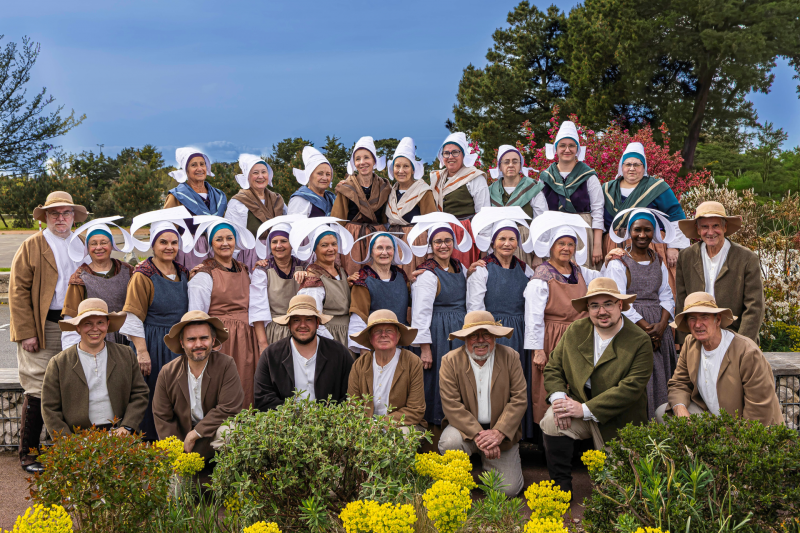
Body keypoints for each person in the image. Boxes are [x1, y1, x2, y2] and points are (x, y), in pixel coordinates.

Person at [541, 278, 653, 494]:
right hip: (577, 407)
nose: (601, 311)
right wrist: (559, 400)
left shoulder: (640, 340)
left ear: (620, 305)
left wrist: (583, 409)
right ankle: (561, 488)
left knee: (619, 493)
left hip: (619, 420)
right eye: (594, 305)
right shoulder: (576, 329)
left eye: (608, 304)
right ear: (588, 308)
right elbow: (554, 366)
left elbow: (630, 388)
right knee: (550, 421)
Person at [9, 191, 88, 473]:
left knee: (71, 386)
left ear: (73, 216)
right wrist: (27, 331)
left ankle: (67, 449)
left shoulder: (82, 244)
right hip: (43, 326)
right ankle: (28, 453)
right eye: (54, 213)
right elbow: (17, 291)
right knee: (38, 387)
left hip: (76, 324)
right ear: (45, 217)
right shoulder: (33, 245)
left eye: (66, 213)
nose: (60, 218)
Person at [523, 212, 605, 427]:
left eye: (571, 244)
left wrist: (615, 256)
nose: (566, 248)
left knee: (577, 383)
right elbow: (533, 316)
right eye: (561, 243)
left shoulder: (580, 272)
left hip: (579, 337)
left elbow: (603, 277)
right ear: (551, 246)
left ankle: (578, 432)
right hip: (552, 336)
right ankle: (550, 433)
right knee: (549, 385)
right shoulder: (542, 275)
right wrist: (538, 350)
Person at [655, 292, 783, 426]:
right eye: (692, 318)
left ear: (718, 319)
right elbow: (679, 383)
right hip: (712, 418)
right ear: (687, 323)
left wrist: (737, 443)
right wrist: (681, 410)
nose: (698, 325)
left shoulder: (747, 353)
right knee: (663, 412)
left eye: (704, 317)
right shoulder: (690, 344)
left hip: (742, 425)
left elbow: (758, 410)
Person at [121, 209, 194, 440]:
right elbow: (133, 316)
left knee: (179, 395)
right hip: (152, 343)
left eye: (174, 242)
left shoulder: (183, 273)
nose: (169, 247)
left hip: (177, 344)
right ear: (153, 244)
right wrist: (142, 352)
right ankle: (151, 445)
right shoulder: (143, 275)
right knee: (153, 395)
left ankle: (178, 442)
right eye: (163, 242)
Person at [438, 310, 527, 497]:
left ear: (494, 336)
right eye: (473, 335)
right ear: (465, 339)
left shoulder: (511, 357)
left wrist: (498, 433)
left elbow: (519, 399)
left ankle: (489, 464)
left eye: (486, 334)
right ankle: (459, 480)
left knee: (508, 490)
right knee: (449, 442)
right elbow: (451, 405)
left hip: (500, 434)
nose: (480, 340)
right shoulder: (450, 361)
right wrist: (480, 435)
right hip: (466, 432)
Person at [466, 206, 536, 440]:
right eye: (502, 239)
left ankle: (518, 434)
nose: (507, 243)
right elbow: (475, 308)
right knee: (494, 384)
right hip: (493, 332)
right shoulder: (483, 269)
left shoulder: (526, 270)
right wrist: (485, 334)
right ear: (493, 242)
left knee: (518, 384)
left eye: (512, 239)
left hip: (520, 331)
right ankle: (490, 434)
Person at [41, 299, 149, 447]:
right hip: (78, 439)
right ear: (78, 327)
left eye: (100, 322)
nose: (95, 329)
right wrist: (67, 442)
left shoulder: (126, 354)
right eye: (88, 323)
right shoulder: (59, 363)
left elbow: (140, 393)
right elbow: (50, 408)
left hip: (120, 435)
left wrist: (127, 427)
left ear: (108, 325)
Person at [604, 208, 677, 419]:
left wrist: (662, 327)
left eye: (647, 230)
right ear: (629, 232)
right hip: (632, 328)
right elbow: (620, 302)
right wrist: (646, 329)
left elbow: (666, 296)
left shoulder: (659, 260)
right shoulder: (619, 263)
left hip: (659, 328)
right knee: (639, 377)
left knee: (661, 376)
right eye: (637, 230)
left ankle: (661, 425)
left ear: (654, 232)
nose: (642, 235)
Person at [407, 213, 473, 429]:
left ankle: (458, 424)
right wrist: (425, 348)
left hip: (458, 331)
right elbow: (420, 314)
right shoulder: (427, 274)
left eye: (447, 240)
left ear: (454, 243)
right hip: (437, 333)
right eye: (438, 241)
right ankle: (434, 428)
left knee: (458, 380)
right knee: (437, 380)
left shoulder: (459, 268)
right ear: (431, 245)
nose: (443, 245)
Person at [187, 216, 260, 408]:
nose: (225, 243)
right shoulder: (204, 275)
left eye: (229, 238)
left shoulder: (244, 270)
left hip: (247, 338)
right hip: (222, 338)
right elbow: (196, 315)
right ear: (211, 243)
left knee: (247, 384)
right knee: (223, 387)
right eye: (219, 239)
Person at [154, 311, 245, 462]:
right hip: (183, 439)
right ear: (182, 343)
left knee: (230, 432)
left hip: (212, 435)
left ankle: (225, 474)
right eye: (191, 339)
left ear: (213, 340)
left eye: (204, 338)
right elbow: (163, 417)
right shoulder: (167, 373)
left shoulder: (226, 365)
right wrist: (178, 449)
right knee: (174, 482)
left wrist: (195, 434)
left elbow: (229, 407)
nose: (198, 344)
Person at [602, 142, 690, 293]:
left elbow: (676, 215)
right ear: (621, 167)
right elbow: (599, 220)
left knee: (652, 284)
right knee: (617, 285)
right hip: (614, 243)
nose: (632, 168)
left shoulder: (657, 188)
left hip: (650, 243)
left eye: (637, 164)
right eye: (628, 164)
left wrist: (674, 246)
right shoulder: (607, 189)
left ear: (644, 167)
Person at [675, 201, 764, 344]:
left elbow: (755, 307)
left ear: (725, 227)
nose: (710, 232)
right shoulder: (686, 257)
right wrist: (685, 343)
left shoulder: (746, 258)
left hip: (734, 337)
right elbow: (681, 301)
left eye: (715, 226)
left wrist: (743, 344)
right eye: (705, 227)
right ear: (698, 230)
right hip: (697, 337)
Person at [253, 295, 354, 411]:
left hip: (330, 425)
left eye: (308, 319)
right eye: (296, 320)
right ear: (289, 324)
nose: (302, 325)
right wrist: (292, 416)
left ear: (317, 323)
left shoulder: (339, 353)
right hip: (285, 425)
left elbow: (350, 394)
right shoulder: (270, 355)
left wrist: (328, 418)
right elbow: (263, 398)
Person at [533, 121, 604, 268]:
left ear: (577, 149)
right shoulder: (545, 177)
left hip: (582, 232)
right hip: (553, 230)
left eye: (571, 145)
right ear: (556, 149)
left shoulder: (589, 176)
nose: (567, 149)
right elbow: (540, 213)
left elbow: (598, 211)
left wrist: (597, 245)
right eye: (562, 145)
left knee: (581, 276)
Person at [61, 216, 136, 348]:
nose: (99, 247)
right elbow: (71, 320)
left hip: (128, 339)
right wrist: (72, 352)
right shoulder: (79, 279)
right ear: (87, 247)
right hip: (94, 341)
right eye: (93, 243)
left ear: (112, 245)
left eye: (104, 242)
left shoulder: (128, 272)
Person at [348, 310, 425, 433]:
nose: (383, 335)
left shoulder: (412, 362)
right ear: (370, 338)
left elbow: (416, 409)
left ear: (398, 336)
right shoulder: (359, 365)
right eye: (377, 331)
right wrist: (368, 426)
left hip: (400, 425)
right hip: (366, 426)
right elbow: (352, 406)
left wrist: (382, 424)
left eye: (389, 331)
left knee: (401, 436)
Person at [331, 136, 392, 275]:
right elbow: (337, 223)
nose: (362, 162)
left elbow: (386, 218)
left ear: (374, 160)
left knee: (378, 276)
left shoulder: (384, 187)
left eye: (366, 157)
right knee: (354, 276)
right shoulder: (346, 187)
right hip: (352, 239)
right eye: (358, 159)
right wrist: (337, 252)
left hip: (377, 238)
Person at [291, 217, 355, 347]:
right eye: (324, 245)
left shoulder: (341, 272)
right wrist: (330, 345)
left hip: (346, 334)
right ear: (315, 249)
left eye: (334, 244)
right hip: (330, 336)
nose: (331, 249)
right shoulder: (313, 278)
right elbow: (313, 319)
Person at [429, 132, 490, 266]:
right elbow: (432, 214)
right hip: (441, 234)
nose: (450, 157)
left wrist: (484, 250)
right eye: (446, 153)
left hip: (464, 235)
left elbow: (483, 214)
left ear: (463, 155)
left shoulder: (475, 178)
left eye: (455, 152)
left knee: (463, 274)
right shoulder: (437, 179)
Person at [347, 233, 413, 355]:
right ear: (371, 252)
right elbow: (358, 318)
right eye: (379, 248)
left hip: (402, 343)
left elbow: (412, 301)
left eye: (388, 248)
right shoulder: (363, 279)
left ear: (394, 251)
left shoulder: (401, 275)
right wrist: (364, 352)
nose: (384, 252)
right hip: (376, 345)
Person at [164, 148, 228, 270]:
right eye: (194, 165)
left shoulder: (219, 196)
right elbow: (166, 230)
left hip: (217, 248)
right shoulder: (177, 196)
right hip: (189, 251)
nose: (199, 168)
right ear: (186, 170)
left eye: (202, 164)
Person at [249, 215, 307, 345]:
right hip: (275, 331)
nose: (278, 246)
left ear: (292, 243)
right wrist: (263, 343)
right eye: (274, 242)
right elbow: (258, 309)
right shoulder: (262, 270)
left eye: (283, 241)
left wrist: (308, 273)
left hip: (302, 329)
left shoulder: (305, 266)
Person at [385, 137, 438, 277]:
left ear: (413, 169)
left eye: (406, 166)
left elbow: (431, 222)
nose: (401, 170)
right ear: (392, 169)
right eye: (397, 166)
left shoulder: (422, 191)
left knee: (412, 280)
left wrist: (431, 251)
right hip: (393, 241)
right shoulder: (391, 192)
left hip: (415, 242)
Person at [225, 154, 286, 271]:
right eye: (255, 173)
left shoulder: (277, 200)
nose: (260, 176)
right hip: (251, 256)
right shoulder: (238, 202)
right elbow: (233, 235)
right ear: (247, 176)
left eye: (264, 172)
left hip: (278, 253)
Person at [488, 144, 542, 266]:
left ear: (520, 165)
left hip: (525, 242)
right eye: (506, 162)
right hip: (499, 244)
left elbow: (541, 221)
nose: (511, 165)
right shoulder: (491, 191)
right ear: (500, 166)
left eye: (515, 161)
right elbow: (487, 222)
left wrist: (538, 255)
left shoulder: (532, 188)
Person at [287, 146, 337, 217]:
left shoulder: (331, 198)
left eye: (328, 174)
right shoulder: (300, 200)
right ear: (309, 175)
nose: (325, 178)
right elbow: (295, 226)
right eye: (320, 173)